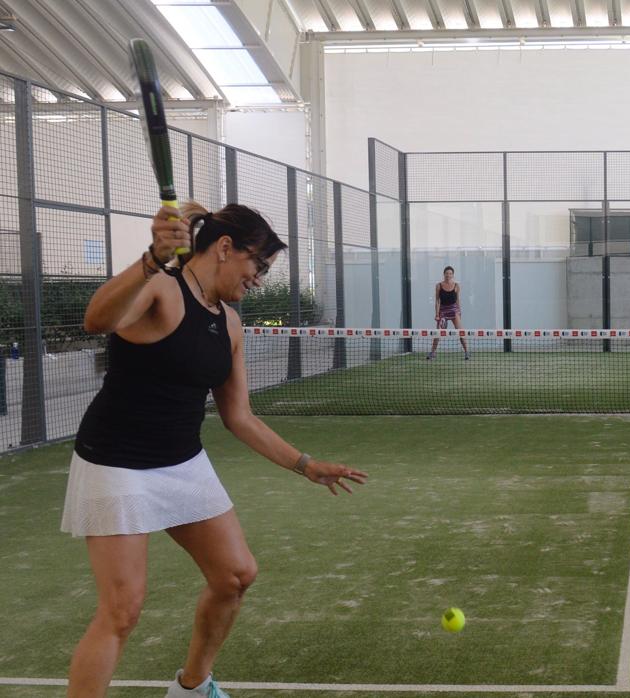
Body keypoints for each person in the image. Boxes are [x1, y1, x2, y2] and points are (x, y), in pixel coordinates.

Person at [63, 203, 369, 698]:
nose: (259, 280)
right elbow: (97, 320)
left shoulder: (228, 324)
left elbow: (239, 416)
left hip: (181, 460)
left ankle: (191, 687)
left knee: (235, 575)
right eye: (258, 266)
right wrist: (150, 259)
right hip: (116, 461)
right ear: (225, 248)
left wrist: (306, 465)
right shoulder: (162, 287)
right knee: (122, 610)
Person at [427, 265, 470, 360]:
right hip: (443, 311)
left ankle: (467, 352)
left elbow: (457, 299)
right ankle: (432, 352)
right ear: (444, 274)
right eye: (447, 273)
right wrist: (437, 314)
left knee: (460, 331)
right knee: (438, 332)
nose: (448, 275)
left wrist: (459, 311)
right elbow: (437, 301)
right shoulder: (439, 286)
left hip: (454, 310)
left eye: (450, 274)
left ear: (453, 275)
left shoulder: (456, 285)